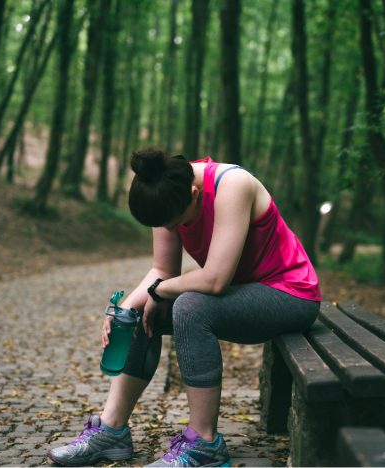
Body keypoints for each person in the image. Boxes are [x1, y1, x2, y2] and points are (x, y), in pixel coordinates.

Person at [47, 148, 321, 467]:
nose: (170, 227)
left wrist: (158, 291)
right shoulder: (165, 192)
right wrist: (125, 307)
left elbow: (215, 280)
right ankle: (111, 430)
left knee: (189, 306)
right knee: (137, 312)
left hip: (290, 293)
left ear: (194, 194)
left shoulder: (233, 185)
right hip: (241, 293)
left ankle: (205, 444)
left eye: (173, 223)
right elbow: (163, 270)